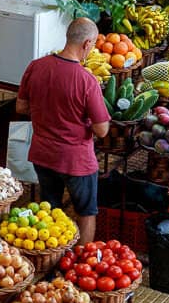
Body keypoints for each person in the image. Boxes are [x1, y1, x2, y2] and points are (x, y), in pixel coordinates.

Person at [16, 17, 110, 245]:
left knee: (49, 207)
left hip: (42, 155)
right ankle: (81, 261)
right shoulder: (86, 80)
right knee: (86, 212)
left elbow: (21, 107)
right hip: (75, 160)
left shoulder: (36, 66)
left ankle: (50, 254)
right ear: (87, 44)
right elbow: (102, 130)